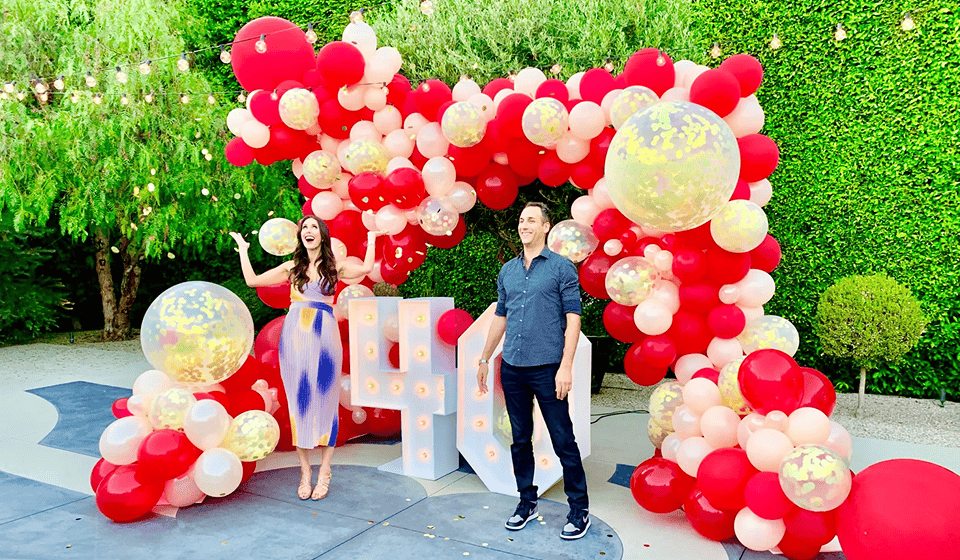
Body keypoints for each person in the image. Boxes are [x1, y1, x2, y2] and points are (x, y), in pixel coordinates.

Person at [230, 217, 385, 500]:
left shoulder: (334, 266)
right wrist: (243, 248)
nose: (309, 231)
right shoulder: (291, 268)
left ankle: (325, 470)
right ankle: (305, 472)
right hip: (294, 335)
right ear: (300, 236)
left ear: (322, 235)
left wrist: (373, 239)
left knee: (326, 399)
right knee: (299, 402)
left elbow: (364, 268)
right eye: (305, 228)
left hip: (325, 335)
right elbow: (252, 281)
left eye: (314, 227)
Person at [476, 202, 590, 540]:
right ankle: (527, 500)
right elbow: (501, 317)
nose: (525, 225)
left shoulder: (561, 268)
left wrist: (566, 366)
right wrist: (484, 359)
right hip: (512, 367)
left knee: (563, 441)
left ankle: (579, 509)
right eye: (522, 220)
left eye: (532, 220)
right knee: (519, 440)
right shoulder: (508, 271)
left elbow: (573, 319)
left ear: (545, 227)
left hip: (548, 369)